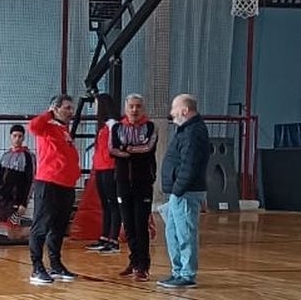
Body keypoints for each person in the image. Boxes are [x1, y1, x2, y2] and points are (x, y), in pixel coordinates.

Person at [27, 95, 81, 287]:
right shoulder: (45, 126)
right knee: (41, 226)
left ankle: (56, 264)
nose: (71, 112)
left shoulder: (63, 130)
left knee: (58, 228)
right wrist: (50, 112)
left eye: (71, 108)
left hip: (66, 185)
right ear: (56, 109)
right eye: (66, 108)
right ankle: (36, 267)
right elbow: (32, 126)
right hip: (49, 183)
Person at [159, 93, 211, 288]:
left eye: (174, 108)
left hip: (186, 193)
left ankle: (187, 274)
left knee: (185, 233)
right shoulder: (185, 130)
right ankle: (177, 271)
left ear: (184, 110)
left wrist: (178, 189)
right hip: (179, 193)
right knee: (173, 232)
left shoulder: (194, 132)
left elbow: (190, 164)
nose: (171, 113)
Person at [111, 94, 159, 282]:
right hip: (123, 182)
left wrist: (127, 148)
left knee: (141, 224)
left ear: (143, 108)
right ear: (126, 108)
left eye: (138, 106)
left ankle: (143, 265)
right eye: (131, 106)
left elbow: (148, 147)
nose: (134, 110)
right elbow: (113, 149)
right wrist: (130, 149)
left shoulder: (150, 126)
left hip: (143, 182)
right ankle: (134, 260)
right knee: (128, 225)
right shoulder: (117, 127)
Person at [87, 94, 120, 256]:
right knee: (105, 205)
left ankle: (113, 240)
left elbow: (115, 147)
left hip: (110, 168)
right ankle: (104, 236)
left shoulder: (113, 125)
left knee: (113, 204)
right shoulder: (102, 127)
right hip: (100, 168)